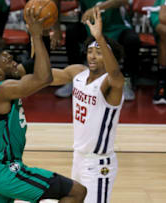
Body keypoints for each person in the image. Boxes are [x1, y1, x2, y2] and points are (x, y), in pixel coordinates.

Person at [0, 7, 87, 203]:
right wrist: (35, 36)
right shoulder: (4, 88)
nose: (14, 63)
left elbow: (34, 63)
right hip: (7, 171)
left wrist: (42, 32)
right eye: (9, 61)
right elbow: (43, 77)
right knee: (76, 192)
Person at [50, 8, 124, 203]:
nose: (92, 56)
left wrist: (99, 36)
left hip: (99, 163)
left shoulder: (111, 83)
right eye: (90, 51)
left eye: (99, 52)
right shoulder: (78, 74)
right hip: (79, 157)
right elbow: (44, 77)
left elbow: (116, 74)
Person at [55, 0, 140, 101]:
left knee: (132, 40)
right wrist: (56, 28)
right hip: (90, 27)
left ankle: (126, 80)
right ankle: (73, 78)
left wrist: (98, 8)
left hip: (117, 27)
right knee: (72, 32)